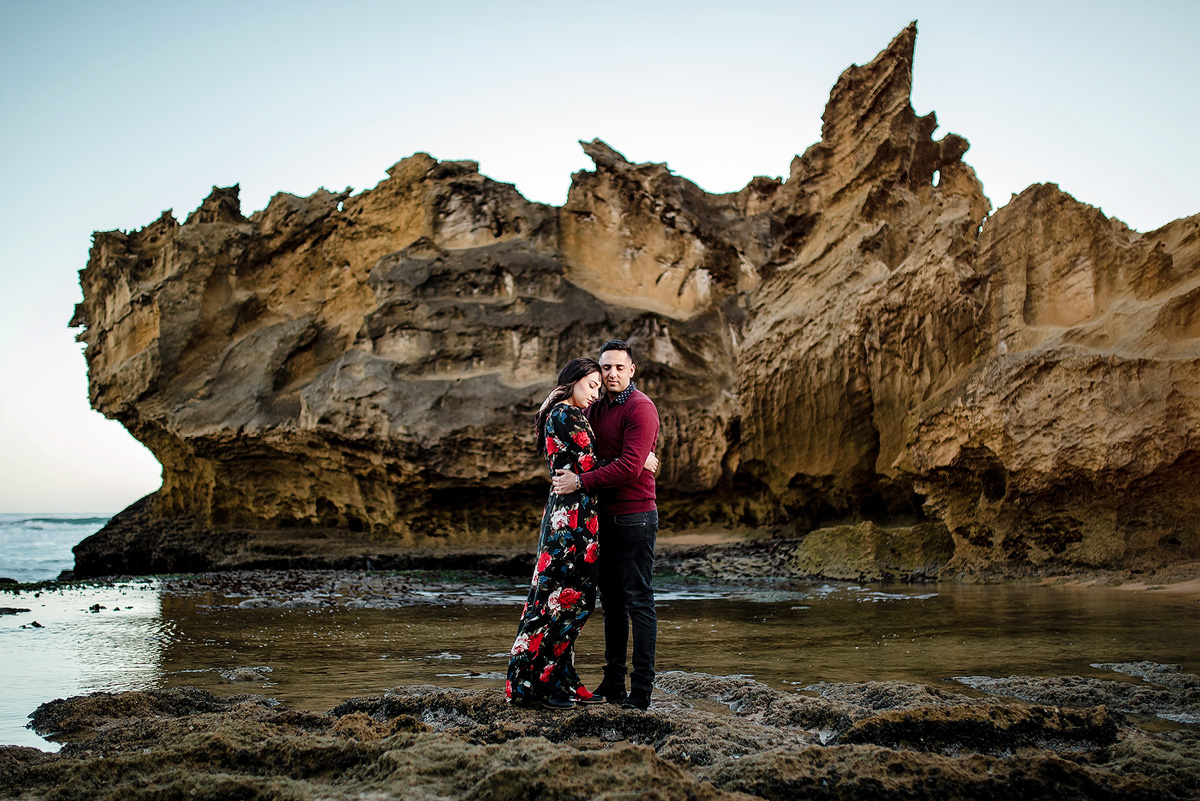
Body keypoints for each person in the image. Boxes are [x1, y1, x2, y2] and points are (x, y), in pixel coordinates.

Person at [551, 340, 660, 711]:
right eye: (605, 368)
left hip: (635, 516)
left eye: (618, 367)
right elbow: (593, 454)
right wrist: (630, 459)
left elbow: (629, 468)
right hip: (600, 518)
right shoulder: (594, 408)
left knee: (639, 601)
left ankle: (641, 691)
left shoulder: (641, 408)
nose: (611, 374)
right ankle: (613, 683)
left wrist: (584, 480)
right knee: (612, 604)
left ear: (631, 370)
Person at [506, 357, 605, 710]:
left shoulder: (562, 413)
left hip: (576, 516)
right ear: (574, 380)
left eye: (599, 388)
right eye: (591, 385)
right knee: (561, 600)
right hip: (571, 521)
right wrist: (639, 460)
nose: (596, 394)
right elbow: (593, 466)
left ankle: (558, 676)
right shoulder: (566, 415)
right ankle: (532, 683)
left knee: (564, 598)